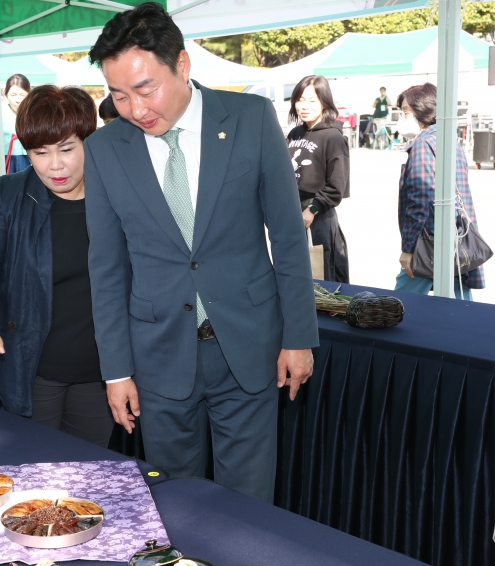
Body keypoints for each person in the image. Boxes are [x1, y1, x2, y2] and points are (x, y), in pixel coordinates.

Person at [85, 2, 317, 502]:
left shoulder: (252, 119)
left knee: (249, 504)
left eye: (145, 89)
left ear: (183, 65)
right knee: (173, 503)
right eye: (119, 96)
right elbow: (106, 268)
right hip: (159, 358)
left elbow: (288, 236)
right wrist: (117, 370)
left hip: (249, 348)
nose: (136, 109)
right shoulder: (105, 150)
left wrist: (299, 335)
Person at [0, 85, 112, 447]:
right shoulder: (10, 195)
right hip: (31, 374)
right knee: (33, 481)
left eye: (67, 149)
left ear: (89, 141)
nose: (55, 165)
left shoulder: (116, 194)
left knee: (87, 483)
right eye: (40, 152)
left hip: (101, 377)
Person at [395, 83, 484, 300]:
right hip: (455, 236)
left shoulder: (423, 143)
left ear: (424, 109)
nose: (402, 118)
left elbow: (420, 200)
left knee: (402, 304)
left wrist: (408, 249)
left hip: (429, 241)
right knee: (460, 301)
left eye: (406, 112)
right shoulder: (447, 139)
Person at [287, 75, 350, 283]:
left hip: (317, 216)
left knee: (320, 278)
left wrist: (313, 209)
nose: (304, 106)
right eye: (300, 99)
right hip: (293, 214)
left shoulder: (333, 136)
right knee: (294, 277)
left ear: (324, 102)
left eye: (312, 100)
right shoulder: (295, 134)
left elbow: (337, 185)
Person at [0, 74, 31, 193]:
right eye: (13, 95)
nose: (18, 99)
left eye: (22, 94)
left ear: (29, 94)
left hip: (34, 169)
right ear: (6, 95)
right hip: (10, 170)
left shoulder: (37, 118)